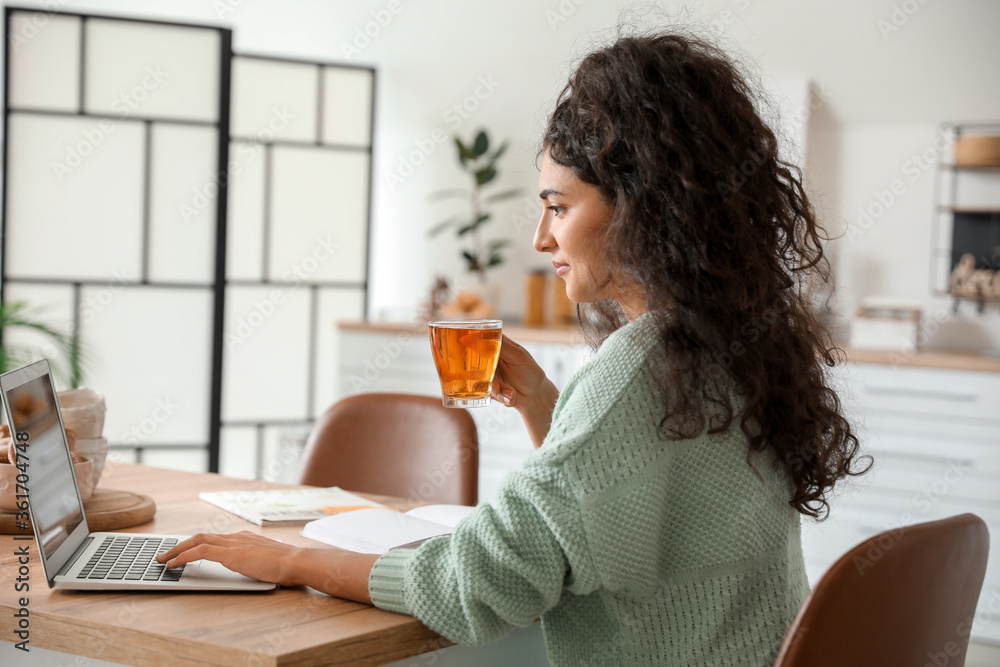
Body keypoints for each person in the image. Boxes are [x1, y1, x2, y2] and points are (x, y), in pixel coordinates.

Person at [158, 32, 866, 666]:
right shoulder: (738, 344)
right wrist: (541, 404)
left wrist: (289, 557)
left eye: (559, 206)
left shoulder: (638, 366)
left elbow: (477, 583)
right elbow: (632, 512)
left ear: (645, 206)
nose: (540, 237)